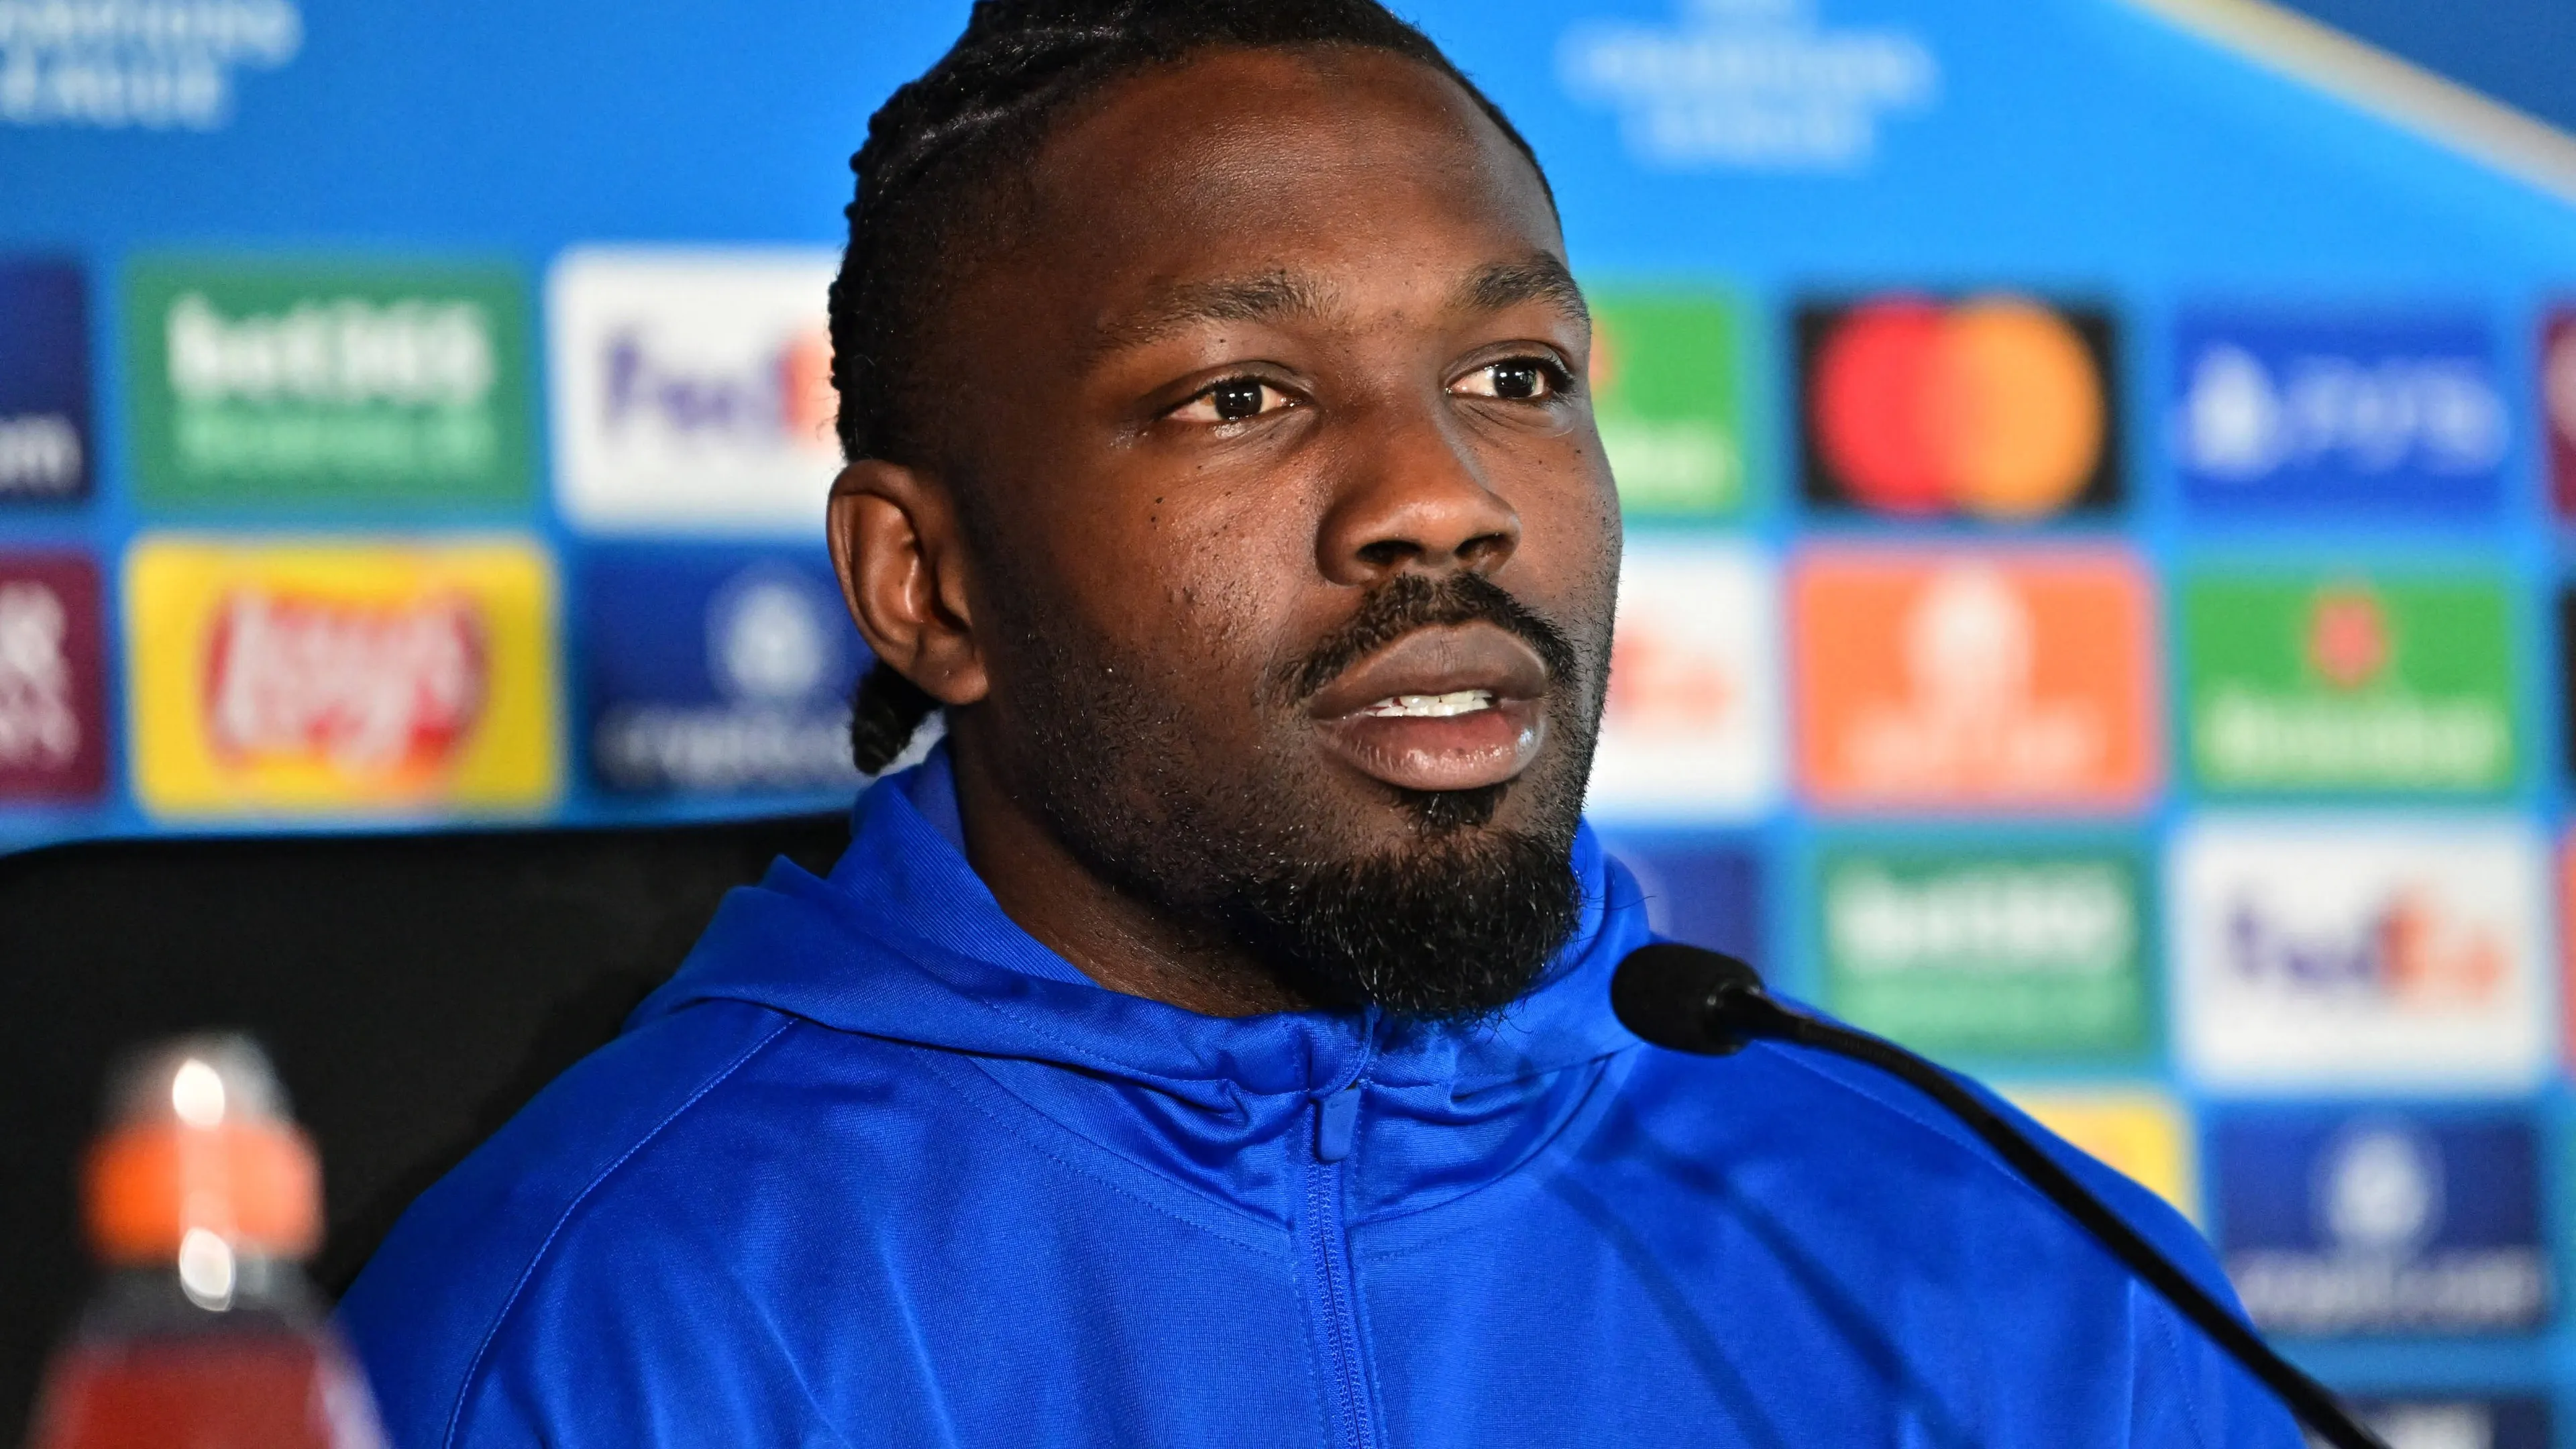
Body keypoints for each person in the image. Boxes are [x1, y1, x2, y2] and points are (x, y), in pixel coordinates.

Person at [340, 3, 2304, 1444]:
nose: (1441, 492)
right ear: (927, 589)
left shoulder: (2027, 1271)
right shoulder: (616, 1325)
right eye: (1240, 398)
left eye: (1516, 370)